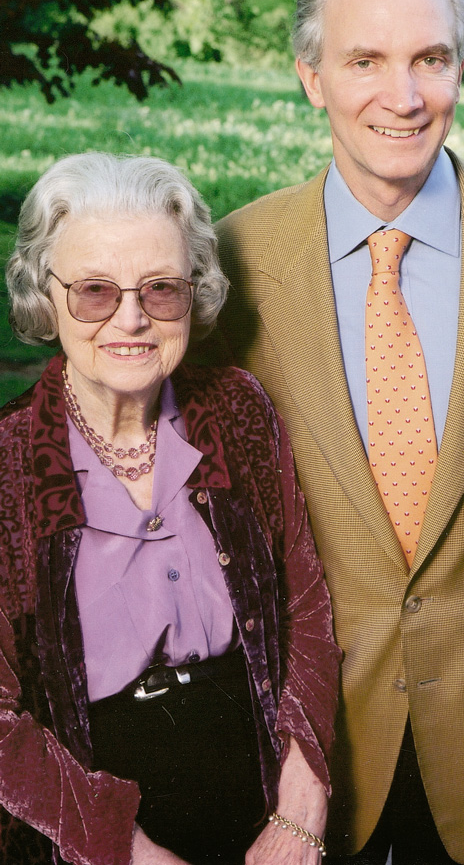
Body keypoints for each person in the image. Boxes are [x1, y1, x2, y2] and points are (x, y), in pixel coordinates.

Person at [208, 0, 464, 865]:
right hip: (306, 762)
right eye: (365, 60)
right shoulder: (233, 263)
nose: (405, 95)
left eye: (432, 58)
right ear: (312, 78)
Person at [0, 152, 340, 865]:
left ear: (196, 292)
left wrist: (302, 803)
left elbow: (306, 604)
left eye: (161, 288)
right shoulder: (10, 465)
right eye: (95, 290)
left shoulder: (239, 410)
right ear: (44, 293)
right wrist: (119, 845)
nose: (131, 318)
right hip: (94, 826)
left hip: (262, 807)